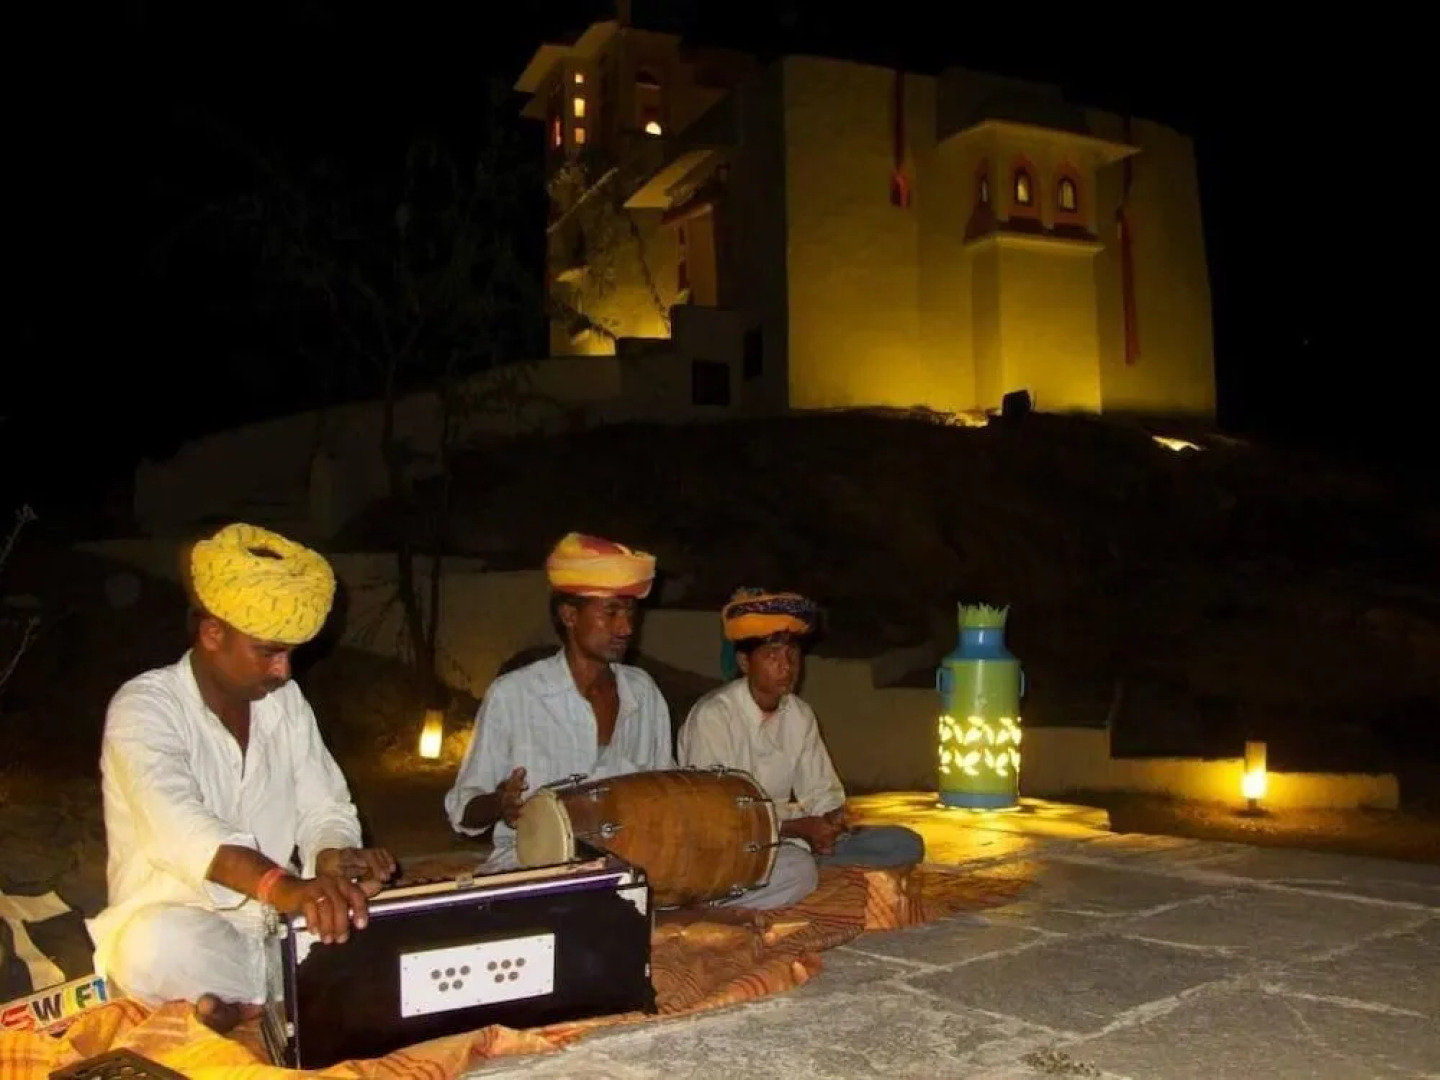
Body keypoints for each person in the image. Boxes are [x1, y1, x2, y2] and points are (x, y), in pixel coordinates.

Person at [86, 523, 396, 1034]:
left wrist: (333, 859)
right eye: (270, 652)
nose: (284, 672)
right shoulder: (144, 707)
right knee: (148, 948)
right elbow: (182, 829)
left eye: (290, 653)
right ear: (214, 634)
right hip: (190, 927)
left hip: (278, 925)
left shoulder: (284, 703)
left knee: (376, 917)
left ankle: (253, 999)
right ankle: (289, 987)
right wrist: (283, 887)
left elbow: (325, 807)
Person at [678, 587, 926, 909]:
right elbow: (721, 818)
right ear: (744, 662)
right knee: (798, 870)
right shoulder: (714, 717)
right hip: (730, 848)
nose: (787, 666)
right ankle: (726, 900)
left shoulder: (799, 714)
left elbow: (821, 791)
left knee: (904, 843)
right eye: (772, 656)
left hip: (794, 841)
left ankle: (802, 874)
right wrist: (798, 827)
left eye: (792, 655)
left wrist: (833, 820)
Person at [444, 532, 674, 870]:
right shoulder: (515, 695)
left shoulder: (643, 693)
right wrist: (500, 804)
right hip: (530, 869)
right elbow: (463, 810)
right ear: (569, 616)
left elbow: (667, 793)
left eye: (630, 612)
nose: (626, 627)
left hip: (625, 867)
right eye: (611, 612)